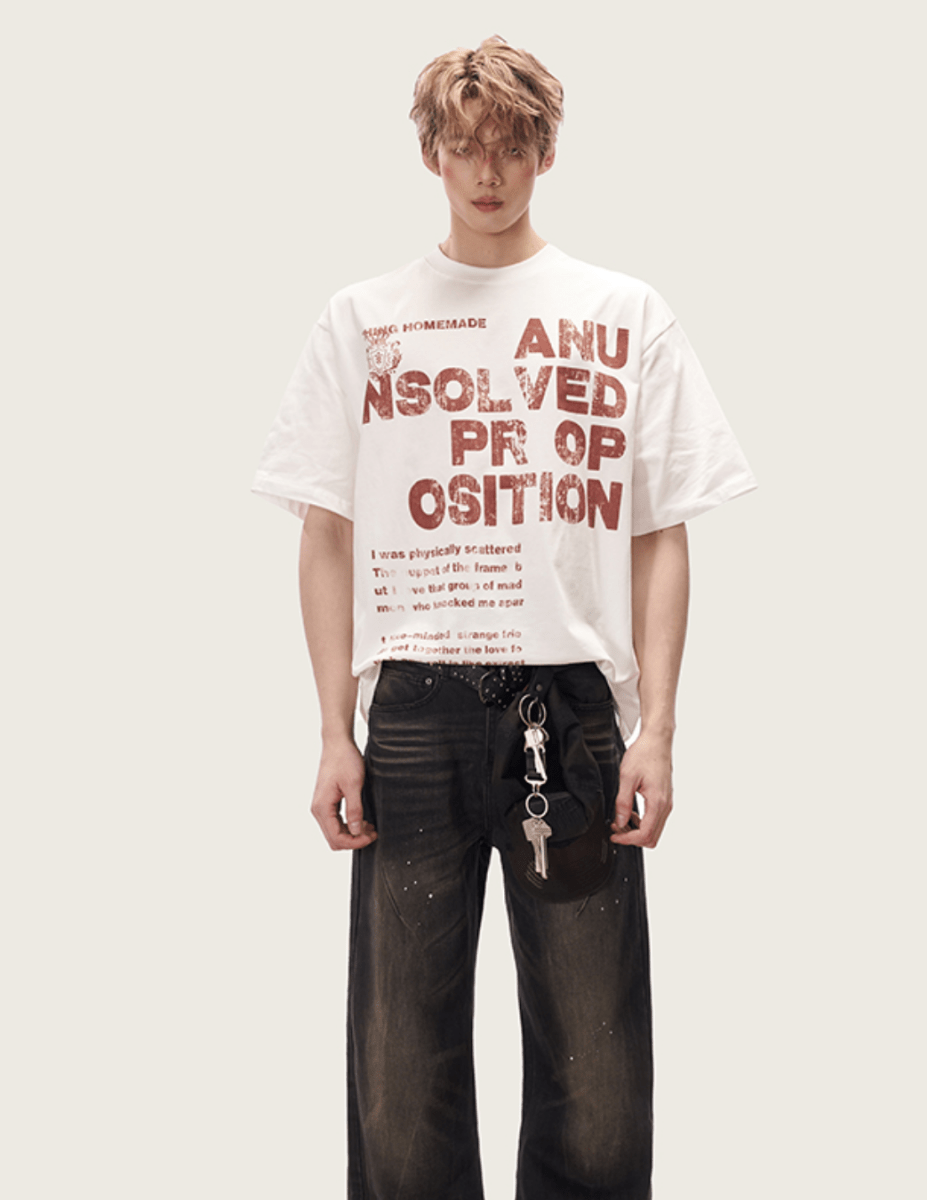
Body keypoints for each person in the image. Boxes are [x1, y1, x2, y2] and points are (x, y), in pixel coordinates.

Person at [253, 35, 755, 1200]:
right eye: (466, 146)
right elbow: (324, 531)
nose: (489, 172)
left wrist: (658, 729)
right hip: (415, 715)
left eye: (513, 146)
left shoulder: (622, 314)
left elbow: (660, 532)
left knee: (597, 1068)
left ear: (546, 151)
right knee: (399, 1069)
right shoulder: (364, 319)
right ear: (430, 153)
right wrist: (333, 730)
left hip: (570, 716)